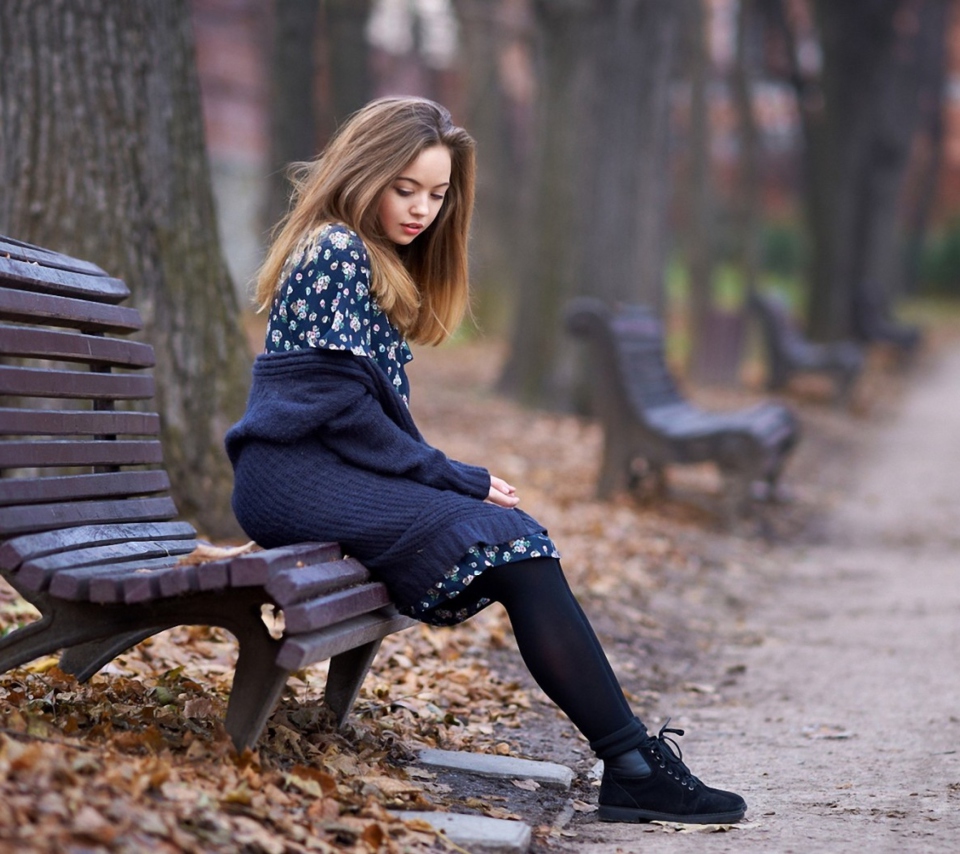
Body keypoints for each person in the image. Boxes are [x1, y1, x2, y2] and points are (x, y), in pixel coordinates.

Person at [225, 96, 746, 825]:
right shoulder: (335, 249)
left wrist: (444, 476)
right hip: (295, 476)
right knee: (510, 542)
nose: (420, 210)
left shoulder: (369, 260)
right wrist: (451, 474)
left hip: (325, 470)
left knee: (517, 540)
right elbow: (341, 413)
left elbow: (359, 417)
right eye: (403, 188)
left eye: (437, 195)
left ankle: (630, 762)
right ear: (361, 171)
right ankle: (633, 765)